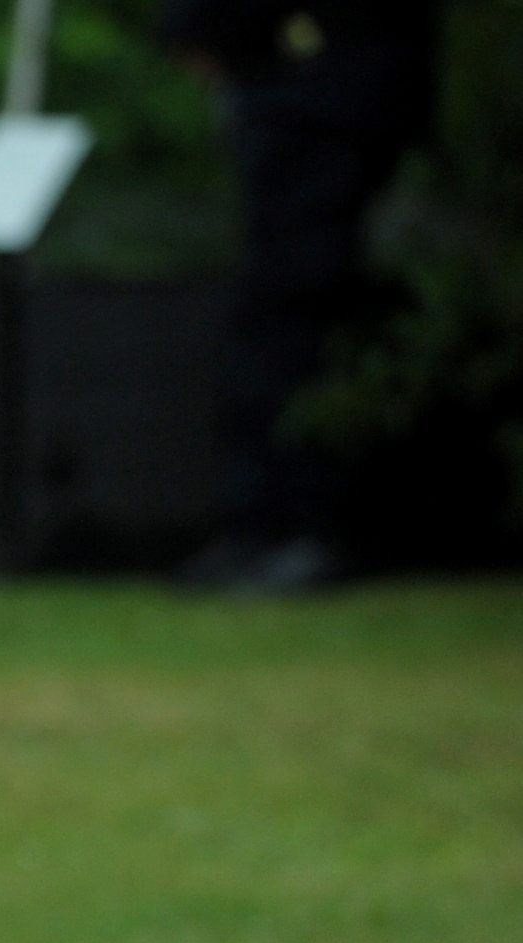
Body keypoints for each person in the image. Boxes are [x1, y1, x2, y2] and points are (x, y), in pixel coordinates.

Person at [161, 0, 440, 591]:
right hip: (304, 96)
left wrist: (205, 31)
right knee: (273, 325)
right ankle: (265, 526)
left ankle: (301, 527)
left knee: (294, 323)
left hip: (321, 103)